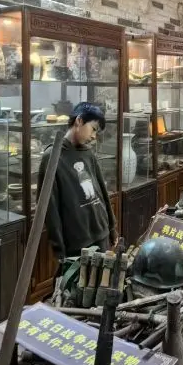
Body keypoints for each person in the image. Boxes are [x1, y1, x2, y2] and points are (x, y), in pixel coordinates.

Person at [37, 102, 116, 263]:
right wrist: (59, 249)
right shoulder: (53, 156)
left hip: (101, 233)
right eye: (93, 129)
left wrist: (112, 227)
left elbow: (102, 192)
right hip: (77, 242)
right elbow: (50, 208)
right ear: (79, 121)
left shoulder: (87, 153)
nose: (94, 136)